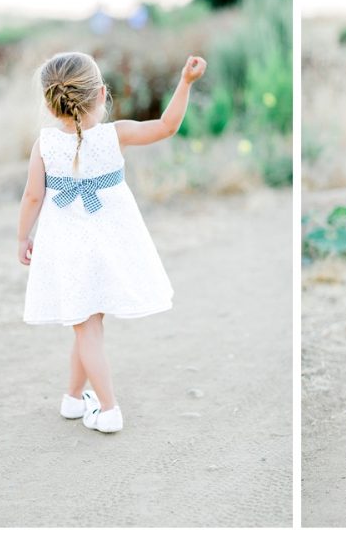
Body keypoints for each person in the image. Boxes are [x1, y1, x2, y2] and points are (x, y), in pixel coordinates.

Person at [17, 51, 207, 433]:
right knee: (85, 323)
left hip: (69, 250)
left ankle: (107, 409)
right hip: (107, 248)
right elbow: (168, 126)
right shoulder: (115, 135)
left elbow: (33, 197)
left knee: (85, 324)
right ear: (102, 94)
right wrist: (185, 83)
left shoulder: (44, 145)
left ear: (50, 103)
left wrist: (23, 236)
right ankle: (75, 399)